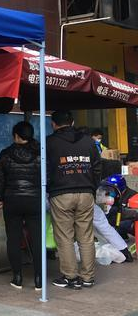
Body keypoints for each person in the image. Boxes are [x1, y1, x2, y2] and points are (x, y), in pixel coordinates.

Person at [47, 110, 101, 289]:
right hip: (86, 192)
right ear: (72, 122)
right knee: (86, 236)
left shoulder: (49, 142)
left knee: (65, 236)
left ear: (53, 124)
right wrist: (92, 187)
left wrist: (49, 187)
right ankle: (88, 277)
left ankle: (70, 277)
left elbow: (45, 169)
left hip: (61, 193)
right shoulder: (89, 141)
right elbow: (97, 167)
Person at [0, 121, 42, 290]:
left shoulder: (5, 154)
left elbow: (0, 180)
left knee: (13, 239)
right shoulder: (40, 153)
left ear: (16, 135)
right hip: (34, 200)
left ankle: (17, 277)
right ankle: (39, 279)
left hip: (12, 200)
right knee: (37, 239)